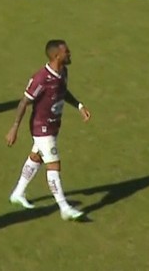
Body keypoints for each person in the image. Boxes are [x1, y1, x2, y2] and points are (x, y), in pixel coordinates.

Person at [5, 39, 91, 221]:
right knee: (54, 164)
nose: (70, 54)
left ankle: (18, 193)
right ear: (56, 55)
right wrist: (14, 128)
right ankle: (64, 207)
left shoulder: (63, 72)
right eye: (67, 52)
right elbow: (24, 102)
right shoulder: (41, 78)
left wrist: (79, 106)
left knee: (36, 157)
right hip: (41, 128)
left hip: (53, 126)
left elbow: (63, 91)